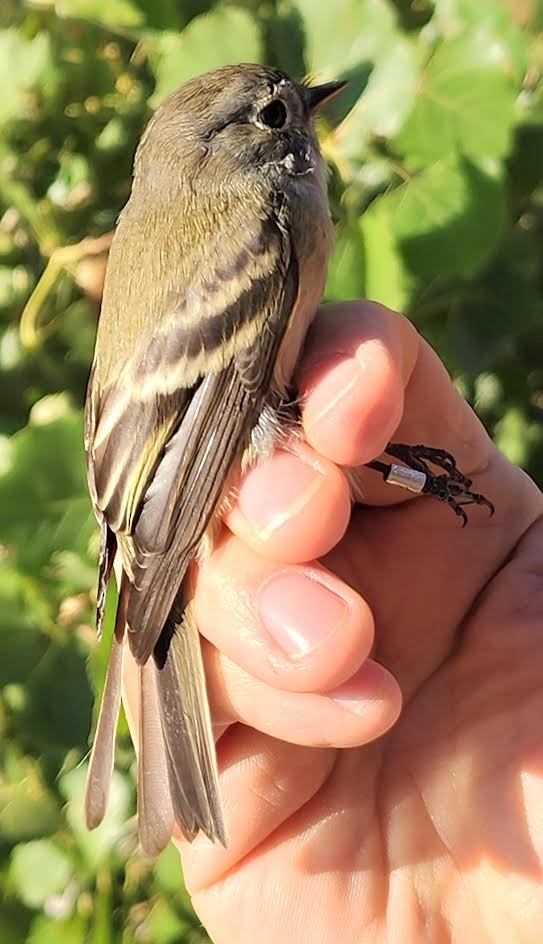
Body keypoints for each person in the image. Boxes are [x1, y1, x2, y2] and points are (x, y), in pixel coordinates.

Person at [123, 301, 543, 943]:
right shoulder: (267, 210)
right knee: (314, 435)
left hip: (158, 485)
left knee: (330, 432)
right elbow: (244, 417)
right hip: (190, 480)